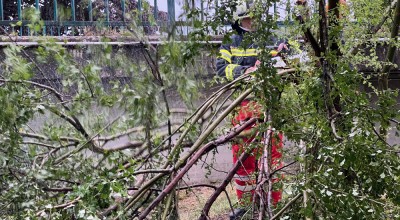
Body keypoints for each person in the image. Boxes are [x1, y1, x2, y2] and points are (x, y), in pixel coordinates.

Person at [216, 3, 285, 220]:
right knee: (244, 158)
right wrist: (246, 71)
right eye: (249, 18)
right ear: (240, 19)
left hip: (268, 105)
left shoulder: (268, 37)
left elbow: (282, 60)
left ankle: (273, 204)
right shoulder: (231, 41)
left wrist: (285, 51)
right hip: (242, 106)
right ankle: (246, 206)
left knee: (272, 156)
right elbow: (221, 69)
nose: (253, 21)